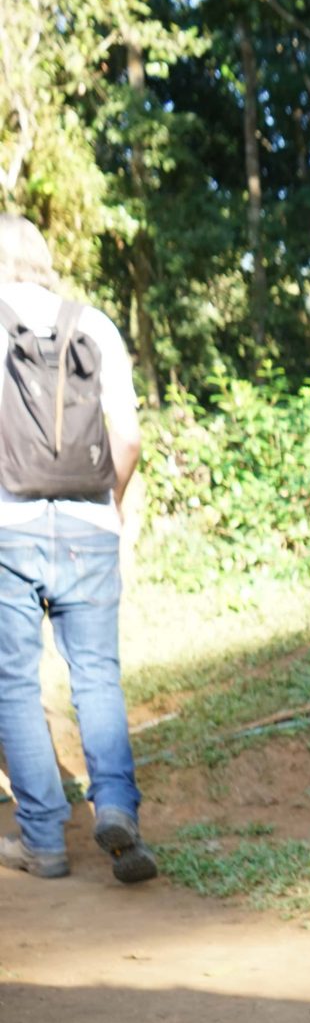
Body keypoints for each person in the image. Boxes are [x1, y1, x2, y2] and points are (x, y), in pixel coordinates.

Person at [0, 215, 155, 884]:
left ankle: (42, 839)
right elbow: (128, 441)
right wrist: (108, 508)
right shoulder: (96, 324)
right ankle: (116, 806)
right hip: (91, 526)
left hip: (8, 524)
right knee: (97, 675)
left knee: (13, 679)